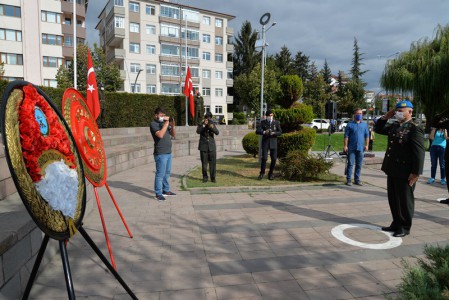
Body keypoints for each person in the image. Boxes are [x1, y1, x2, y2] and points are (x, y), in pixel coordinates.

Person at [374, 100, 425, 237]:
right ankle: (396, 223)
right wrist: (386, 117)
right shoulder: (395, 125)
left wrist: (416, 172)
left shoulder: (414, 128)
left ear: (410, 112)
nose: (398, 113)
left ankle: (405, 226)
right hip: (392, 168)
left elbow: (419, 153)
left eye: (401, 111)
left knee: (404, 200)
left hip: (405, 171)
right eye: (396, 111)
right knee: (393, 198)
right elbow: (378, 129)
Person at [149, 107, 176, 201]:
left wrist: (172, 125)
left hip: (168, 152)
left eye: (164, 115)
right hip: (160, 153)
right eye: (161, 115)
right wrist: (166, 123)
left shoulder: (164, 124)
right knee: (160, 174)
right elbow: (160, 135)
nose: (163, 117)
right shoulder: (153, 124)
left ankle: (166, 190)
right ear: (156, 115)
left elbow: (173, 135)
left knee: (167, 173)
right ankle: (158, 193)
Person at [343, 108, 369, 186]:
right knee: (350, 164)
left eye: (360, 113)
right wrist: (345, 146)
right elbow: (346, 136)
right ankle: (349, 180)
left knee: (359, 164)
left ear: (362, 115)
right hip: (351, 147)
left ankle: (357, 180)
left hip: (361, 148)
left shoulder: (364, 125)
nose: (359, 115)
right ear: (355, 115)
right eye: (357, 113)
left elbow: (367, 135)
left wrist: (367, 145)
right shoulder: (350, 124)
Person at [256, 110, 282, 180]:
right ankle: (262, 173)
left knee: (274, 159)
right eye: (269, 116)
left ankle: (270, 173)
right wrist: (264, 132)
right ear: (266, 116)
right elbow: (257, 131)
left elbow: (280, 132)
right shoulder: (263, 122)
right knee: (264, 158)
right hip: (265, 142)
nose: (271, 117)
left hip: (273, 142)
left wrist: (274, 133)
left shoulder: (276, 122)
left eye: (272, 115)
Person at [197, 111, 219, 183]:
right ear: (205, 118)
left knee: (213, 163)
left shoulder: (212, 124)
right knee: (204, 164)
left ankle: (213, 178)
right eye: (207, 118)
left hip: (212, 147)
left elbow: (217, 132)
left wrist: (211, 127)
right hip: (203, 147)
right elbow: (198, 131)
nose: (208, 119)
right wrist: (204, 125)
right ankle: (205, 177)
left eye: (209, 118)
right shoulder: (201, 124)